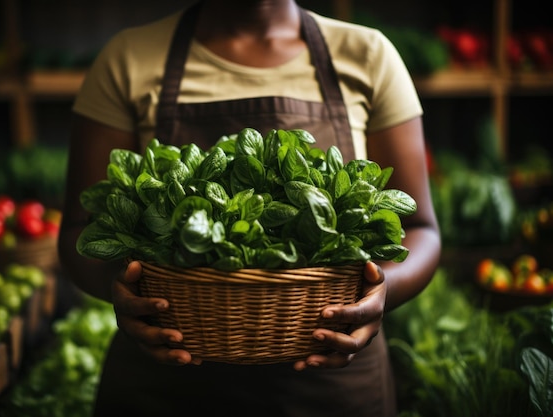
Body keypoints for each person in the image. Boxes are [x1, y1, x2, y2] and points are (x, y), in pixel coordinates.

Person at [58, 0, 441, 416]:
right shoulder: (128, 57)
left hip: (332, 385)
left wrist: (380, 293)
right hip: (165, 384)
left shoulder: (369, 54)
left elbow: (421, 227)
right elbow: (82, 229)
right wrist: (124, 292)